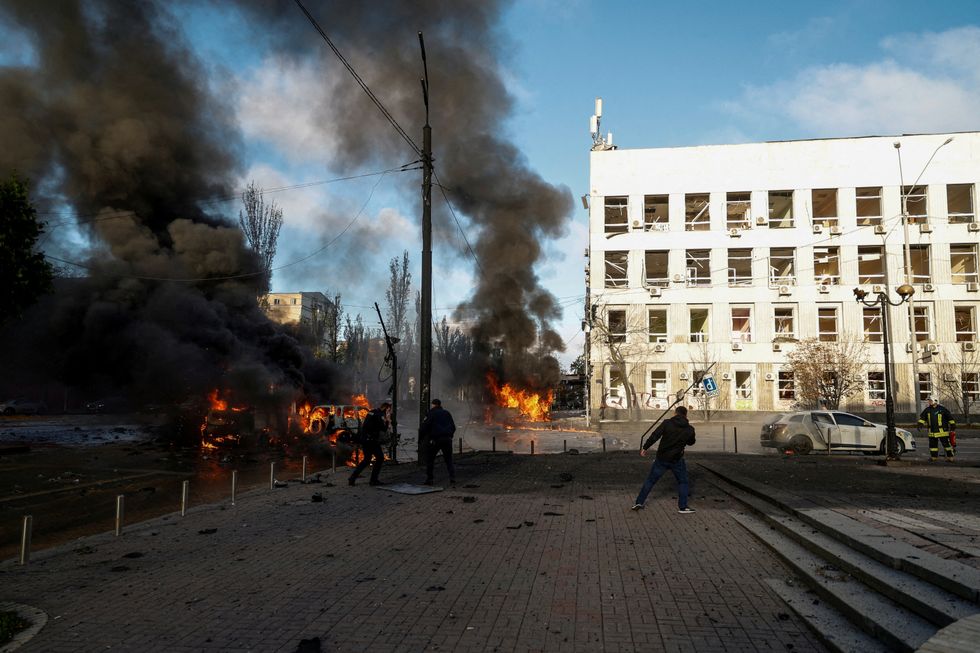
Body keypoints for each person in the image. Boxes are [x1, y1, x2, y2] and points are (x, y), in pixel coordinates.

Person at [632, 405, 697, 513]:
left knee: (651, 480)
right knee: (683, 482)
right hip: (677, 460)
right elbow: (691, 442)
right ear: (686, 415)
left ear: (675, 413)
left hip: (662, 459)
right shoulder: (690, 429)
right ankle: (683, 507)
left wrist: (645, 447)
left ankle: (639, 502)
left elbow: (655, 435)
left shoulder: (667, 423)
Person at [349, 401, 391, 486]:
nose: (389, 412)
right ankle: (373, 480)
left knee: (366, 460)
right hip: (372, 441)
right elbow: (383, 429)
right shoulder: (379, 415)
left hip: (365, 440)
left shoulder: (371, 412)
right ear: (386, 408)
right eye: (389, 410)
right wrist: (387, 420)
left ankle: (352, 477)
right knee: (380, 458)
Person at [421, 398, 456, 485]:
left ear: (433, 404)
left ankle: (430, 479)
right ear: (440, 405)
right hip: (447, 440)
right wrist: (449, 435)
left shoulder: (431, 413)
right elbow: (453, 427)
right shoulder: (447, 413)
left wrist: (422, 439)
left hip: (436, 440)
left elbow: (425, 427)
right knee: (448, 460)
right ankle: (452, 477)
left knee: (430, 459)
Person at [918, 397, 955, 462]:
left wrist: (953, 425)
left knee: (946, 445)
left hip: (942, 431)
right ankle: (934, 457)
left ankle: (950, 457)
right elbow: (923, 418)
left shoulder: (942, 409)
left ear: (935, 401)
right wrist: (920, 424)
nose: (929, 402)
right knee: (933, 446)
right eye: (929, 400)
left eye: (930, 400)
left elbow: (950, 418)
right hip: (932, 431)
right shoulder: (927, 410)